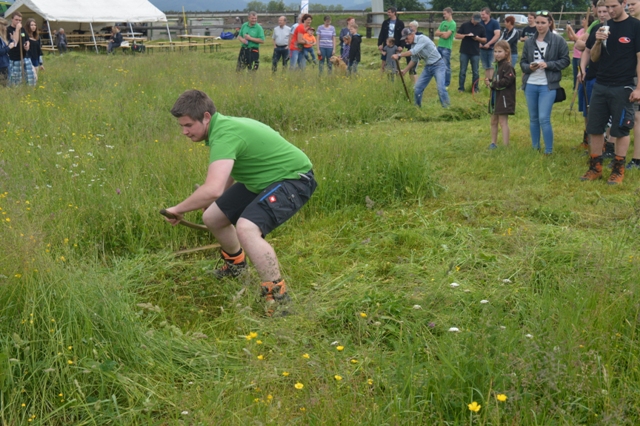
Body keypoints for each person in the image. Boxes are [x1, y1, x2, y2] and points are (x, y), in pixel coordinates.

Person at [165, 90, 317, 315]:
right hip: (262, 179)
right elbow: (227, 174)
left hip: (294, 179)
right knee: (212, 217)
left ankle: (278, 298)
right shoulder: (221, 128)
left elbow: (213, 188)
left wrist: (177, 209)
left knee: (247, 228)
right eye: (181, 126)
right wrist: (216, 201)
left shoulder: (225, 134)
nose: (184, 132)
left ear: (206, 117)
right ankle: (236, 267)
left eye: (188, 125)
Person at [580, 0, 640, 184]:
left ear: (624, 3)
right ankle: (595, 167)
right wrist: (598, 41)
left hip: (623, 86)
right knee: (595, 127)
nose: (610, 10)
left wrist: (639, 88)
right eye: (607, 7)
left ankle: (618, 170)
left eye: (614, 6)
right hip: (601, 84)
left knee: (621, 129)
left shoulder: (635, 26)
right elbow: (594, 58)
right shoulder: (603, 27)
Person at [520, 11, 570, 155]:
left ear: (549, 23)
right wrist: (529, 67)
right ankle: (535, 147)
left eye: (543, 23)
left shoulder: (558, 40)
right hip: (531, 83)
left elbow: (565, 60)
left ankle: (548, 150)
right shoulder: (529, 42)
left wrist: (549, 64)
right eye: (537, 23)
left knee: (544, 118)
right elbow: (522, 62)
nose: (540, 26)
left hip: (548, 85)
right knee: (533, 118)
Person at [576, 1, 611, 150]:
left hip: (610, 78)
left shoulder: (618, 29)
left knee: (608, 115)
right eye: (600, 11)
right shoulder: (596, 28)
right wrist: (582, 68)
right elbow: (587, 51)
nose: (602, 15)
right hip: (592, 76)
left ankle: (607, 144)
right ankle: (590, 143)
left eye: (605, 11)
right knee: (589, 111)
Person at [393, 28, 450, 108]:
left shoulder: (422, 39)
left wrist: (399, 55)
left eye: (407, 38)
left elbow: (413, 52)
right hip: (428, 67)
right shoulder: (413, 45)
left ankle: (447, 108)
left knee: (441, 88)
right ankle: (417, 107)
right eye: (404, 39)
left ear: (412, 34)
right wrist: (405, 71)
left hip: (438, 65)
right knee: (417, 88)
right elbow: (414, 60)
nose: (406, 41)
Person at [488, 41, 516, 150]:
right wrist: (490, 82)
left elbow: (507, 81)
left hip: (504, 99)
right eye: (495, 51)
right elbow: (497, 81)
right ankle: (493, 143)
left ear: (506, 52)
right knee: (493, 121)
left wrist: (493, 84)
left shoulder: (508, 66)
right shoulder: (497, 66)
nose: (497, 54)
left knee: (503, 122)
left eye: (500, 51)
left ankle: (505, 145)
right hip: (495, 98)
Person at [623, 0, 640, 169]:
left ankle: (637, 159)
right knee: (636, 117)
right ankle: (636, 158)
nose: (630, 7)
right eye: (628, 4)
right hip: (632, 76)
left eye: (633, 3)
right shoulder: (631, 25)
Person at [455, 13, 486, 93]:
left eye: (478, 21)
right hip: (464, 51)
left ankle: (475, 88)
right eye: (475, 20)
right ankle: (461, 88)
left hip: (475, 52)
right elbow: (457, 36)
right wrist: (466, 35)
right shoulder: (465, 25)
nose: (476, 22)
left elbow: (484, 40)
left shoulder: (481, 27)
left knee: (475, 71)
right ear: (472, 18)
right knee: (462, 70)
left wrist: (478, 38)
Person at [7, 12, 33, 87]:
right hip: (14, 57)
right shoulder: (8, 30)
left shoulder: (23, 29)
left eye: (20, 20)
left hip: (25, 56)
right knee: (16, 79)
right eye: (16, 20)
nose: (18, 22)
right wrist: (17, 29)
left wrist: (27, 44)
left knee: (29, 78)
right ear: (12, 19)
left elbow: (27, 39)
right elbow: (14, 42)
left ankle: (29, 90)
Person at [377, 7, 404, 73]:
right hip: (386, 44)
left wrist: (401, 46)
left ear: (394, 13)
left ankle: (398, 75)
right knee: (384, 60)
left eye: (389, 12)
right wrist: (379, 44)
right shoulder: (385, 22)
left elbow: (402, 35)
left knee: (396, 61)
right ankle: (382, 75)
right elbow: (382, 33)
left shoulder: (400, 23)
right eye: (387, 12)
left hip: (396, 44)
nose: (388, 14)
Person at [566, 16, 590, 89]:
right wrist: (568, 31)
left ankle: (581, 87)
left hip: (581, 56)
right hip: (575, 55)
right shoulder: (581, 30)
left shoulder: (588, 31)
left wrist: (571, 29)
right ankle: (575, 88)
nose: (582, 21)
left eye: (584, 20)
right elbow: (572, 38)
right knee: (575, 73)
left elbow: (578, 39)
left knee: (581, 72)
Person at [479, 8, 501, 86]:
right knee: (486, 66)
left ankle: (492, 83)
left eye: (483, 14)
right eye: (481, 15)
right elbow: (476, 34)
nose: (482, 16)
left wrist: (489, 43)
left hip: (492, 48)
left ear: (488, 14)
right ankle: (487, 84)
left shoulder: (495, 23)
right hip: (482, 48)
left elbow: (497, 35)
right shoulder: (480, 23)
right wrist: (479, 43)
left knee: (491, 66)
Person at [435, 8, 456, 88]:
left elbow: (446, 36)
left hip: (446, 47)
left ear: (450, 13)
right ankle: (440, 82)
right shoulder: (443, 22)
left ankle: (446, 83)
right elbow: (436, 33)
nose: (444, 15)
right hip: (440, 46)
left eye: (445, 14)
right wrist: (443, 33)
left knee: (446, 66)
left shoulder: (453, 23)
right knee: (438, 65)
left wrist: (441, 34)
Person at [25, 18, 43, 84]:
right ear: (28, 26)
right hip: (28, 58)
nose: (33, 27)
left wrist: (41, 63)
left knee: (35, 79)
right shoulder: (25, 37)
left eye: (35, 25)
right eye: (31, 25)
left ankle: (33, 89)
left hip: (36, 59)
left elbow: (39, 51)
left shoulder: (37, 37)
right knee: (33, 76)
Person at [0, 18, 9, 86]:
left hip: (5, 63)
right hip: (1, 64)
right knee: (3, 85)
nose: (6, 28)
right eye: (5, 25)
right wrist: (9, 47)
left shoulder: (2, 37)